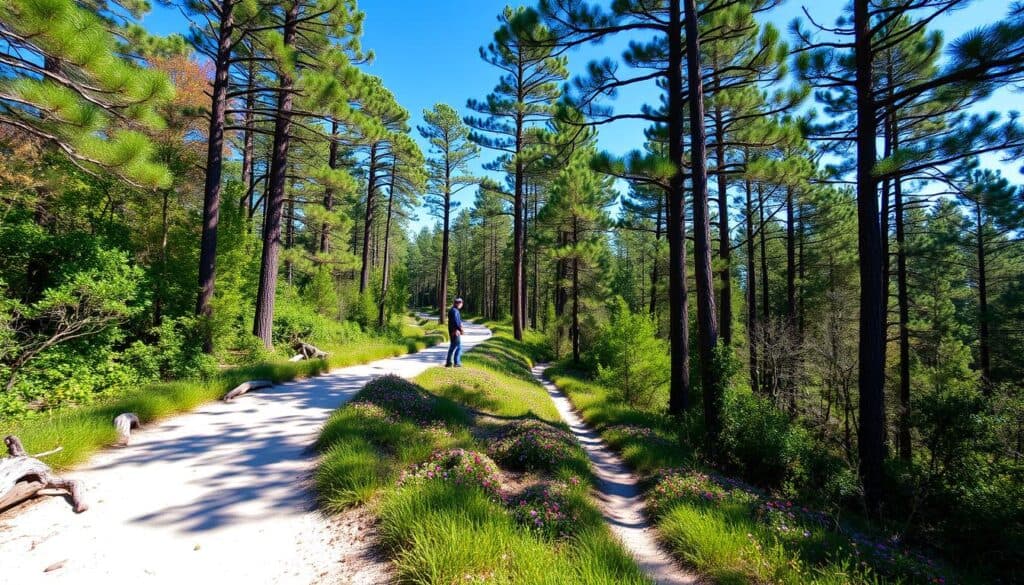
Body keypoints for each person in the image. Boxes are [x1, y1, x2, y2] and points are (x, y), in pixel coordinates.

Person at [445, 298, 465, 367]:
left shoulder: (453, 310)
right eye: (461, 303)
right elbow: (456, 322)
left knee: (453, 346)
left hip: (453, 331)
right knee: (458, 347)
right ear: (458, 303)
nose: (461, 305)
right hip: (455, 332)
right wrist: (460, 329)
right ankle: (456, 362)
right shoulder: (455, 311)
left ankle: (449, 362)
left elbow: (456, 321)